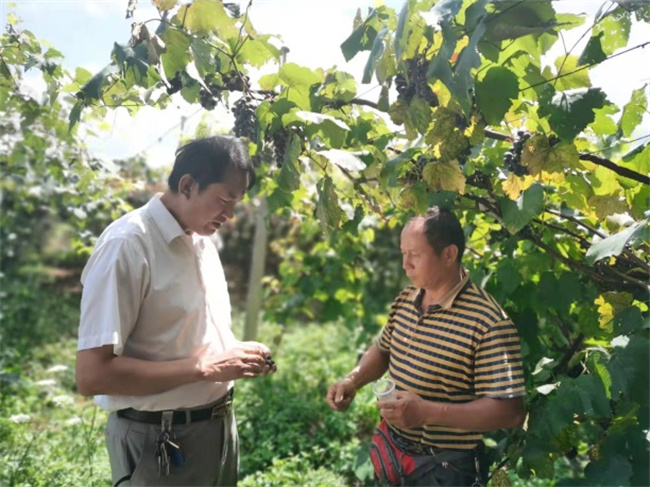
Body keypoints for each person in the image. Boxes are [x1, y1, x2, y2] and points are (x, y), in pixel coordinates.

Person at [76, 136, 275, 487]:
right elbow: (92, 376)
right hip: (158, 440)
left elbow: (181, 334)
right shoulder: (127, 245)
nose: (230, 214)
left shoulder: (202, 242)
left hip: (217, 429)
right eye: (225, 199)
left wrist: (232, 352)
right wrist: (205, 368)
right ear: (187, 185)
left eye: (237, 202)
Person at [327, 207, 526, 486]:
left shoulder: (488, 322)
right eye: (403, 253)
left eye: (415, 255)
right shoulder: (407, 298)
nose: (405, 265)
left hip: (446, 468)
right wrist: (353, 379)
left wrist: (428, 412)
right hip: (394, 452)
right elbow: (383, 349)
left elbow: (510, 411)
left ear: (449, 254)